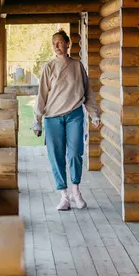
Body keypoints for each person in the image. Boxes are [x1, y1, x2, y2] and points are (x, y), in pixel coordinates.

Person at [33, 29, 100, 210]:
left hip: (74, 115)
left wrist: (94, 114)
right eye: (54, 43)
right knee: (56, 156)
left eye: (60, 42)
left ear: (68, 44)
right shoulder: (49, 68)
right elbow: (41, 96)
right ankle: (64, 195)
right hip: (52, 118)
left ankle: (76, 191)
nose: (56, 46)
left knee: (75, 153)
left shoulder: (78, 67)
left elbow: (88, 93)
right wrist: (37, 120)